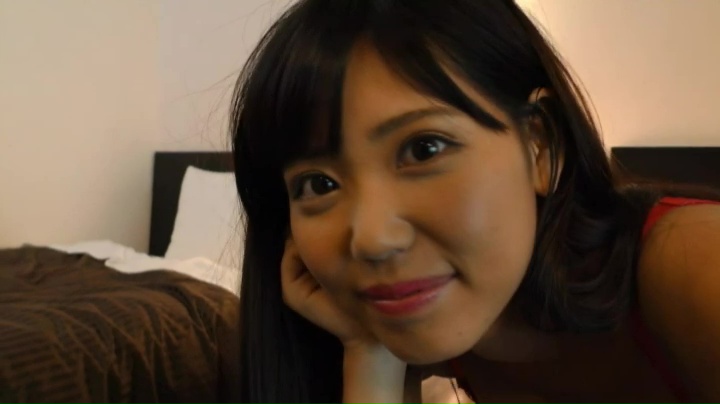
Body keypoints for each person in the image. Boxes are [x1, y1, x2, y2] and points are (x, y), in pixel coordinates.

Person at [229, 0, 720, 402]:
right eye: (318, 184)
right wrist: (370, 358)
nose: (373, 240)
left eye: (424, 149)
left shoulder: (690, 262)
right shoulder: (448, 338)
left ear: (541, 145)